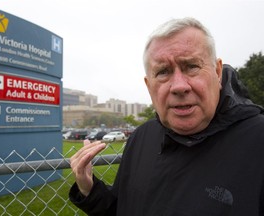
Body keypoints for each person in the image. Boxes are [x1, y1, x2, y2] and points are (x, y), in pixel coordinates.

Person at [69, 17, 264, 216]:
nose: (179, 86)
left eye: (191, 66)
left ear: (218, 71)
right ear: (148, 85)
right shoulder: (141, 138)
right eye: (163, 71)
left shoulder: (258, 141)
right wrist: (89, 190)